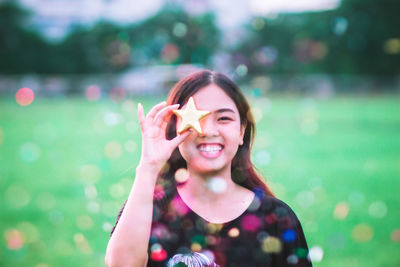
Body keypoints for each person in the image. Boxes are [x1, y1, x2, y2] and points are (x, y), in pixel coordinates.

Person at [105, 70, 312, 267]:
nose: (208, 131)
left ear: (241, 132)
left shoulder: (275, 216)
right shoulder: (149, 209)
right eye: (197, 119)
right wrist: (149, 166)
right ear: (174, 129)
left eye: (224, 118)